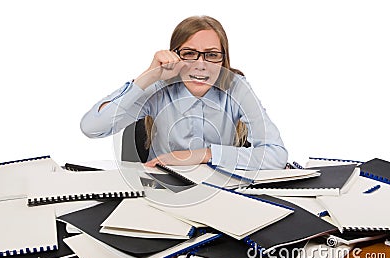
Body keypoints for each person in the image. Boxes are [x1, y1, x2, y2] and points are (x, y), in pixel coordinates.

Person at [80, 15, 287, 170]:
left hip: (221, 191)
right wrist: (147, 77)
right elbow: (92, 127)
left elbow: (276, 155)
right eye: (189, 54)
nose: (201, 65)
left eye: (212, 55)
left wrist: (203, 155)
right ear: (175, 56)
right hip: (163, 190)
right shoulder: (159, 88)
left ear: (224, 59)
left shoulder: (236, 87)